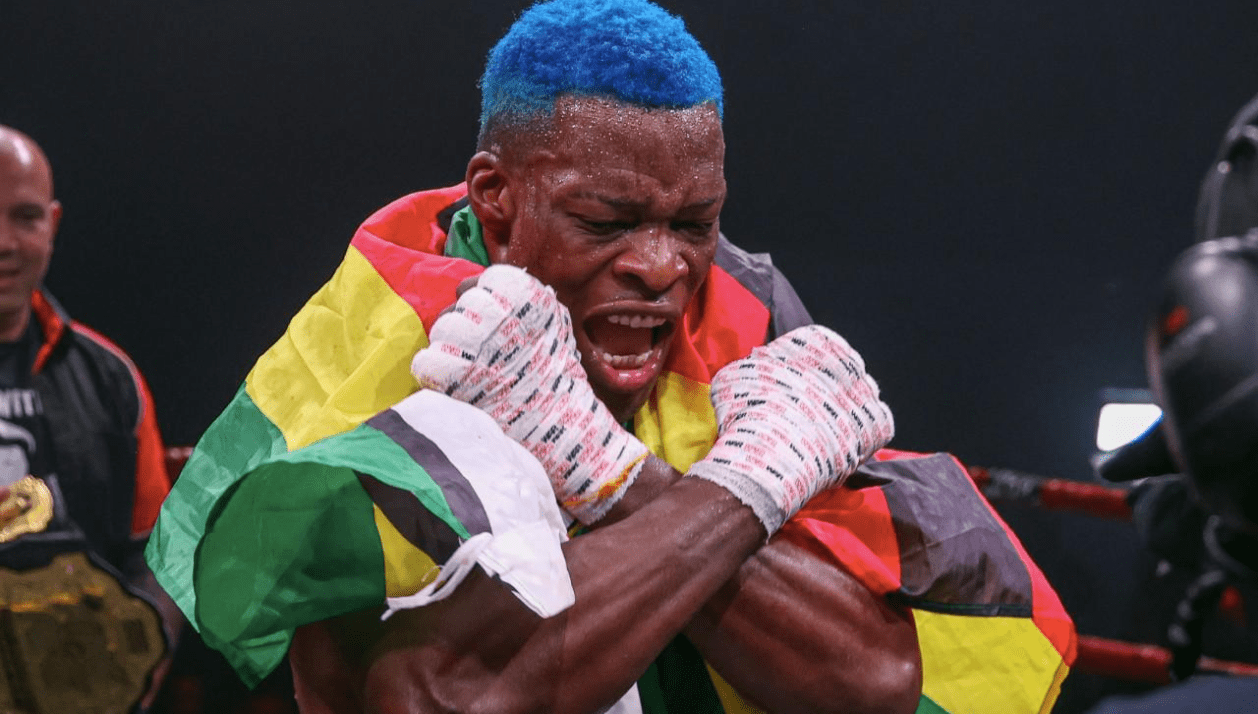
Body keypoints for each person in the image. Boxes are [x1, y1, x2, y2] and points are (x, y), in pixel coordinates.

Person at [146, 1, 1074, 712]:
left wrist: (609, 471)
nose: (662, 268)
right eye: (606, 222)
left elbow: (871, 681)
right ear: (497, 197)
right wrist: (737, 495)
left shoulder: (741, 312)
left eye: (695, 223)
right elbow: (435, 697)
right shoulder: (392, 329)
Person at [0, 125, 181, 712]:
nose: (3, 242)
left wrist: (133, 675)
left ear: (52, 224)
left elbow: (157, 555)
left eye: (25, 217)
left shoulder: (110, 378)